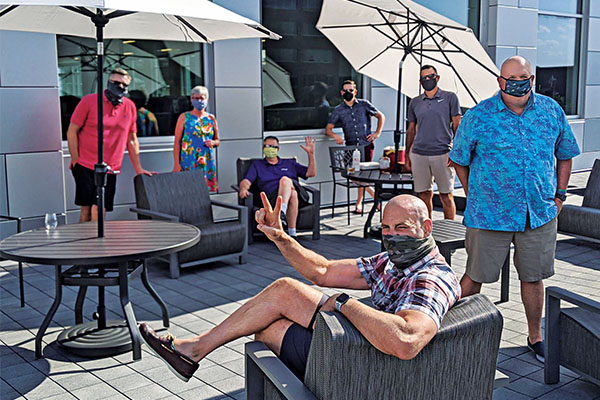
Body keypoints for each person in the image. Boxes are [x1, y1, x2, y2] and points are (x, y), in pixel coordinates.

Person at [140, 194, 461, 382]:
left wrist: (345, 302)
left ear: (426, 228)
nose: (392, 236)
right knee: (269, 329)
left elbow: (406, 341)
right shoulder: (392, 261)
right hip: (358, 343)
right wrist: (279, 236)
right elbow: (322, 271)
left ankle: (195, 349)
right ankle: (194, 350)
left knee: (285, 293)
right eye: (387, 228)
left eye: (402, 228)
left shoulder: (430, 277)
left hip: (374, 365)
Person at [449, 56, 581, 362]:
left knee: (533, 278)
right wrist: (474, 195)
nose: (517, 82)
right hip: (489, 215)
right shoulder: (479, 116)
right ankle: (450, 331)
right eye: (511, 78)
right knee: (474, 276)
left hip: (538, 212)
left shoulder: (551, 111)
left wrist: (560, 195)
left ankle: (536, 336)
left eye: (523, 76)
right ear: (500, 81)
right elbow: (459, 158)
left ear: (532, 79)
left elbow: (565, 154)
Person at [66, 68, 155, 223]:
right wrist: (76, 160)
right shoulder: (89, 101)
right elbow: (72, 131)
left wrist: (138, 169)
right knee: (86, 210)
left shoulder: (129, 106)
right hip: (85, 163)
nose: (120, 87)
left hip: (110, 167)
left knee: (99, 209)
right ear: (108, 83)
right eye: (116, 83)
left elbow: (132, 139)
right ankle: (83, 245)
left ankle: (96, 243)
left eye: (124, 85)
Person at [406, 65, 462, 220]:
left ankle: (449, 231)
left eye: (431, 77)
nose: (428, 80)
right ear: (420, 81)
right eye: (424, 78)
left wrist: (457, 151)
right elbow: (411, 130)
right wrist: (406, 155)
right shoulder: (415, 102)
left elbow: (457, 126)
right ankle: (427, 230)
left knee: (446, 196)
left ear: (437, 78)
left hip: (443, 153)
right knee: (424, 195)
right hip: (419, 154)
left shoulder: (450, 98)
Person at [326, 80, 385, 213]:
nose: (348, 93)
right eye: (345, 91)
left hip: (366, 144)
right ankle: (375, 196)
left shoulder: (364, 104)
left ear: (355, 92)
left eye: (350, 90)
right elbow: (328, 129)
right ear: (342, 92)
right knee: (352, 174)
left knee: (363, 174)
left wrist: (377, 133)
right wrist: (336, 136)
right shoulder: (338, 110)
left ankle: (359, 203)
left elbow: (380, 116)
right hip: (350, 147)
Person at [238, 136, 316, 237]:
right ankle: (292, 234)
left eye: (272, 146)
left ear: (278, 149)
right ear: (263, 148)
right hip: (272, 199)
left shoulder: (289, 163)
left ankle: (281, 212)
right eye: (267, 146)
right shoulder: (257, 165)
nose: (269, 148)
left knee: (285, 181)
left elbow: (310, 173)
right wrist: (243, 189)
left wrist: (311, 154)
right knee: (292, 194)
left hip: (300, 197)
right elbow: (246, 181)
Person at [172, 85, 220, 192]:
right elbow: (177, 142)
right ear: (191, 100)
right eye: (196, 98)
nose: (199, 101)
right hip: (189, 160)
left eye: (202, 98)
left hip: (205, 160)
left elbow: (217, 140)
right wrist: (176, 164)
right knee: (187, 190)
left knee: (203, 191)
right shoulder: (185, 117)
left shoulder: (211, 118)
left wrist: (213, 142)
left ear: (207, 99)